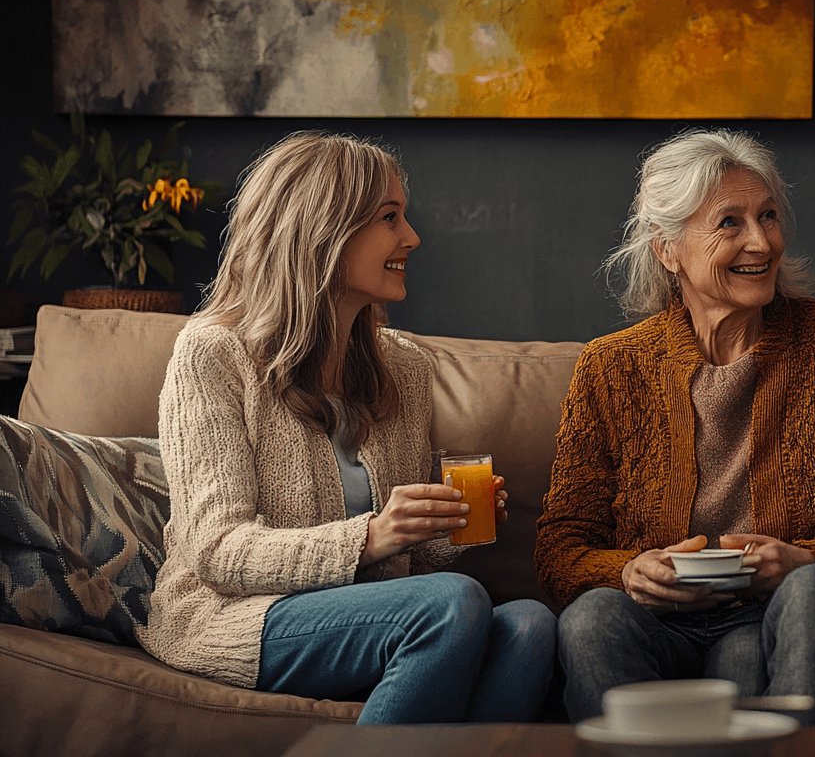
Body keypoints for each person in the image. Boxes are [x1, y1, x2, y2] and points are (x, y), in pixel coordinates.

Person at [138, 131, 556, 724]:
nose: (411, 237)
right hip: (240, 615)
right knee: (452, 605)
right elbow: (216, 551)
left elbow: (406, 573)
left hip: (363, 614)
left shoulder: (404, 367)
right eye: (390, 218)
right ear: (323, 232)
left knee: (532, 626)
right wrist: (371, 536)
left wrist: (449, 528)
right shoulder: (212, 355)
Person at [537, 129, 815, 724]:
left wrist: (803, 560)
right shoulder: (611, 367)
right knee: (591, 618)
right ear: (668, 250)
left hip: (775, 615)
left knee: (789, 611)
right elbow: (561, 546)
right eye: (730, 223)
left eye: (767, 216)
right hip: (658, 623)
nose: (761, 241)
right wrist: (628, 572)